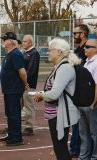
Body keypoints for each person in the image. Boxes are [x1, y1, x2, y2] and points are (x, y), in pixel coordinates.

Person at [33, 38, 81, 160]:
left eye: (50, 50)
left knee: (60, 148)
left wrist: (42, 95)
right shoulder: (59, 67)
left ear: (59, 52)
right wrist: (43, 94)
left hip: (60, 114)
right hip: (56, 114)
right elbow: (55, 90)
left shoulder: (64, 68)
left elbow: (55, 94)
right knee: (59, 147)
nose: (47, 53)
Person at [0, 32, 28, 146]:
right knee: (10, 113)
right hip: (8, 89)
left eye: (5, 39)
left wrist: (24, 84)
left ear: (10, 41)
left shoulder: (16, 54)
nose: (3, 41)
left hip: (14, 89)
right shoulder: (9, 53)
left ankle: (17, 138)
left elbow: (22, 72)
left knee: (14, 113)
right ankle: (11, 135)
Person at [69, 24, 90, 157]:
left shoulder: (87, 50)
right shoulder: (77, 50)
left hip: (84, 92)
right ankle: (75, 147)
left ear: (82, 34)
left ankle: (77, 149)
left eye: (75, 33)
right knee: (76, 121)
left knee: (82, 124)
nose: (73, 36)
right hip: (76, 90)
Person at [78, 39, 97, 159]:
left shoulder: (96, 63)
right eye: (85, 46)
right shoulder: (87, 62)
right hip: (83, 103)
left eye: (88, 47)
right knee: (84, 133)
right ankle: (83, 157)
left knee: (94, 133)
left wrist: (93, 103)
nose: (85, 48)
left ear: (96, 49)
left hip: (91, 105)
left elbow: (96, 86)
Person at [21, 35, 40, 136]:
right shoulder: (26, 53)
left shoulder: (34, 53)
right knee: (24, 104)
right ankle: (24, 125)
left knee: (29, 105)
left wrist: (25, 81)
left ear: (30, 43)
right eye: (23, 41)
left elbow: (32, 69)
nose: (23, 43)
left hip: (29, 84)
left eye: (25, 41)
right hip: (23, 83)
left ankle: (29, 127)